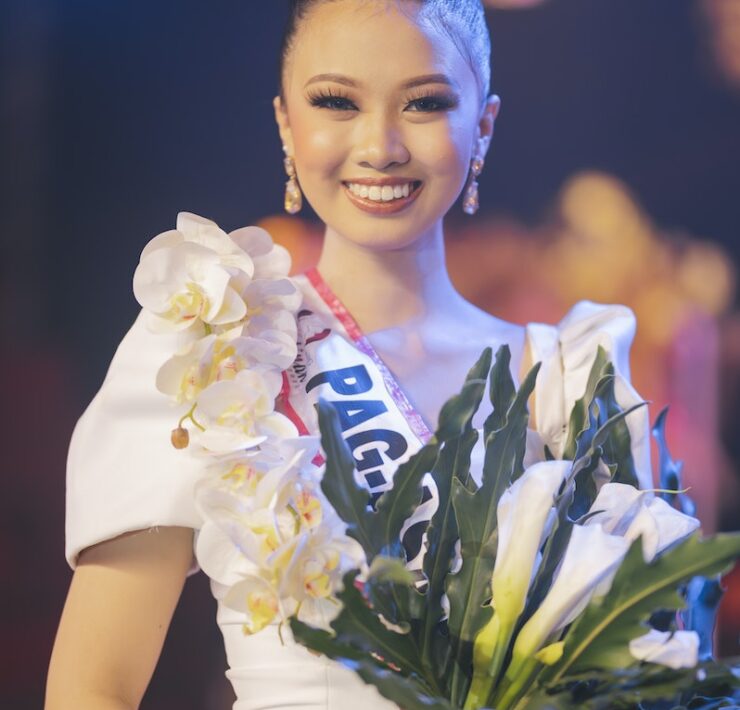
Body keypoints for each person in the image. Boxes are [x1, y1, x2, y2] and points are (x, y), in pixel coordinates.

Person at [46, 1, 652, 708]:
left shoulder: (566, 378)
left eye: (424, 103)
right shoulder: (214, 345)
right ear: (285, 124)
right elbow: (93, 687)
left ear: (482, 125)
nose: (380, 145)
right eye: (337, 101)